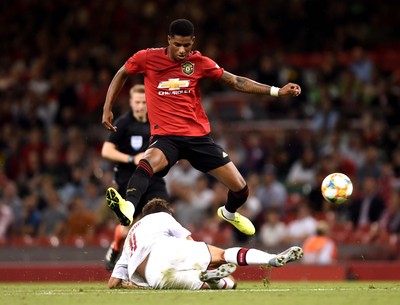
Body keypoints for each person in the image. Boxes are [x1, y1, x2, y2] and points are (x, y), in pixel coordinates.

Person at [102, 19, 301, 236]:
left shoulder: (199, 62)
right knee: (147, 162)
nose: (182, 50)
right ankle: (128, 208)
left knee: (241, 189)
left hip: (198, 139)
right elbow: (122, 72)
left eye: (186, 45)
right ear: (168, 40)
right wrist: (107, 107)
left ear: (193, 42)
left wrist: (276, 91)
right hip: (166, 137)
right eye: (177, 44)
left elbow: (236, 81)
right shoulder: (147, 58)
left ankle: (229, 213)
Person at [108, 198, 303, 290]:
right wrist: (208, 260)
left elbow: (113, 283)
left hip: (156, 278)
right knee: (222, 255)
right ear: (165, 212)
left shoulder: (128, 241)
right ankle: (272, 258)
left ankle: (212, 280)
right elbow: (189, 242)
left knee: (228, 285)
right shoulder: (162, 217)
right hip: (165, 249)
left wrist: (134, 286)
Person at [101, 84, 169, 271]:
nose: (139, 106)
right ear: (131, 102)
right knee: (129, 226)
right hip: (128, 180)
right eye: (136, 102)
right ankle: (116, 247)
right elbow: (106, 150)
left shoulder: (157, 123)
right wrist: (132, 159)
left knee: (163, 217)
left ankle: (156, 264)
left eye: (143, 102)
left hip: (153, 179)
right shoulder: (123, 123)